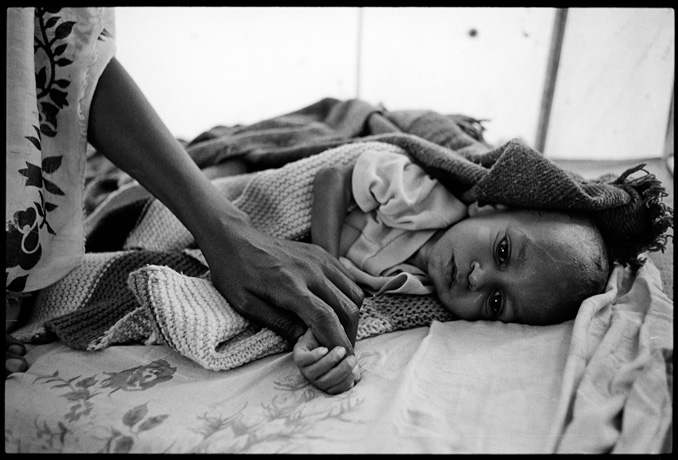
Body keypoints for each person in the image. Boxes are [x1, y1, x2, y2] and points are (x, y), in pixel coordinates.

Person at [5, 8, 363, 378]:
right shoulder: (416, 185)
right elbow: (331, 177)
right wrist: (315, 253)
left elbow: (67, 55)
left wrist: (226, 232)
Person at [293, 146, 611, 393]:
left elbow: (351, 315)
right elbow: (331, 177)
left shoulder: (414, 291)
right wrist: (325, 277)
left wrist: (329, 353)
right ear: (489, 208)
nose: (477, 278)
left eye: (496, 301)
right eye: (503, 251)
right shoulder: (424, 200)